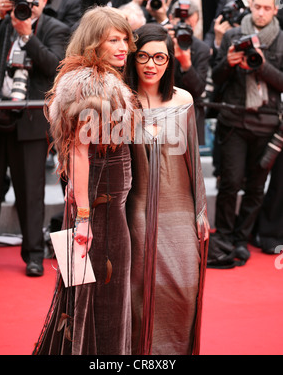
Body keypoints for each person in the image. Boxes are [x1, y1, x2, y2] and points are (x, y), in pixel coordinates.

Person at [33, 6, 137, 355]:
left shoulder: (95, 79)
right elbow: (78, 152)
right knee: (103, 295)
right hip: (97, 209)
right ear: (94, 43)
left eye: (125, 38)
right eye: (114, 40)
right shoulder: (92, 84)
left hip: (96, 204)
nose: (124, 46)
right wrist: (85, 218)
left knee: (83, 290)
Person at [124, 23, 209, 355]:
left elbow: (194, 159)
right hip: (137, 210)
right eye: (143, 55)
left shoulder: (184, 99)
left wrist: (200, 209)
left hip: (180, 208)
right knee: (140, 289)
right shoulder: (123, 101)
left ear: (170, 60)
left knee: (185, 288)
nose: (151, 64)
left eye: (160, 57)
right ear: (133, 58)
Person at [0, 0, 70, 275]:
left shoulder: (55, 29)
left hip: (31, 123)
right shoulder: (0, 23)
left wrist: (28, 36)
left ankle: (33, 254)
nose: (24, 4)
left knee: (31, 193)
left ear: (44, 0)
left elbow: (54, 66)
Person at [209, 0, 283, 268]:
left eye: (267, 8)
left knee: (255, 187)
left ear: (275, 9)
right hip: (234, 121)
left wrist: (262, 67)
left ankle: (241, 238)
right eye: (257, 7)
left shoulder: (281, 41)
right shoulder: (232, 35)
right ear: (250, 7)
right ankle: (225, 237)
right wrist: (227, 64)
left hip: (267, 124)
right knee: (229, 182)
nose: (261, 13)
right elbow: (214, 79)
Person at [170, 1, 210, 145]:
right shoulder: (159, 41)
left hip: (189, 119)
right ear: (170, 18)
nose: (183, 28)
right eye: (180, 22)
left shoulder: (201, 49)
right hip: (161, 113)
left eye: (189, 25)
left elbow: (199, 89)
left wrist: (187, 65)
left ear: (196, 24)